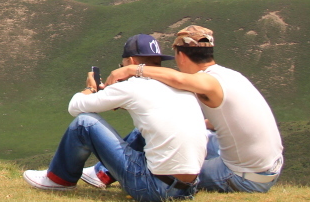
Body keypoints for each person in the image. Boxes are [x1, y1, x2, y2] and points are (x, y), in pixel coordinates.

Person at [23, 34, 207, 202]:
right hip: (188, 188)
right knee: (141, 132)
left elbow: (75, 106)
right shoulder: (179, 86)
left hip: (154, 189)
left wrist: (91, 89)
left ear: (131, 62)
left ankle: (59, 180)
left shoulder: (132, 86)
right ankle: (101, 174)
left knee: (84, 123)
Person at [105, 25, 283, 193]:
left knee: (175, 174)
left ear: (181, 55)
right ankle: (102, 173)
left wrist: (133, 70)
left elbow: (179, 80)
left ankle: (108, 174)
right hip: (268, 171)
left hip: (244, 178)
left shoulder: (208, 81)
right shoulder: (230, 75)